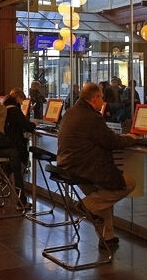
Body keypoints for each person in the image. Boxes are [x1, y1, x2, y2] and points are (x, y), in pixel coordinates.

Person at [56, 82, 138, 248]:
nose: (103, 101)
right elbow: (112, 141)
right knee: (128, 183)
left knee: (101, 195)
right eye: (101, 98)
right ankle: (85, 206)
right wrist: (131, 138)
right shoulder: (91, 117)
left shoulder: (71, 112)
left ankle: (107, 237)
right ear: (94, 98)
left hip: (67, 164)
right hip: (83, 167)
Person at [0, 89, 35, 207]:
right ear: (18, 98)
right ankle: (21, 202)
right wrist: (34, 124)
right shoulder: (15, 111)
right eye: (22, 100)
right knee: (18, 173)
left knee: (12, 167)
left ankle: (2, 173)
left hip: (0, 146)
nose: (22, 103)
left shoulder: (3, 108)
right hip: (12, 148)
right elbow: (28, 126)